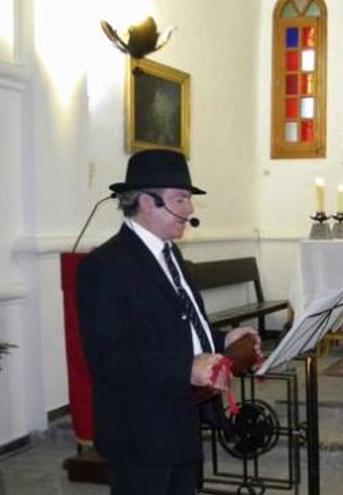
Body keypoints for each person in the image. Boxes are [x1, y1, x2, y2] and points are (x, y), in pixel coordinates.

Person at [77, 149, 260, 495]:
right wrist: (185, 370)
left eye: (188, 199)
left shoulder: (169, 253)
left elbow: (178, 328)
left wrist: (221, 339)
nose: (189, 209)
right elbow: (108, 356)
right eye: (181, 199)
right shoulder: (105, 266)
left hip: (181, 419)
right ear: (146, 201)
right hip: (140, 432)